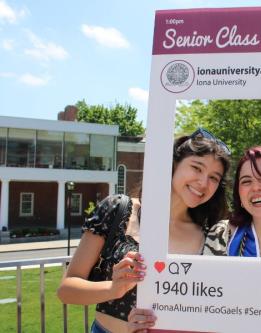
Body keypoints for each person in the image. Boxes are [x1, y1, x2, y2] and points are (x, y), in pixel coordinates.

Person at [58, 128, 231, 333]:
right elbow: (66, 290)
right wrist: (113, 289)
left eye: (214, 177)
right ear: (173, 165)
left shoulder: (209, 235)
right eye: (197, 168)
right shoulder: (118, 210)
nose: (203, 183)